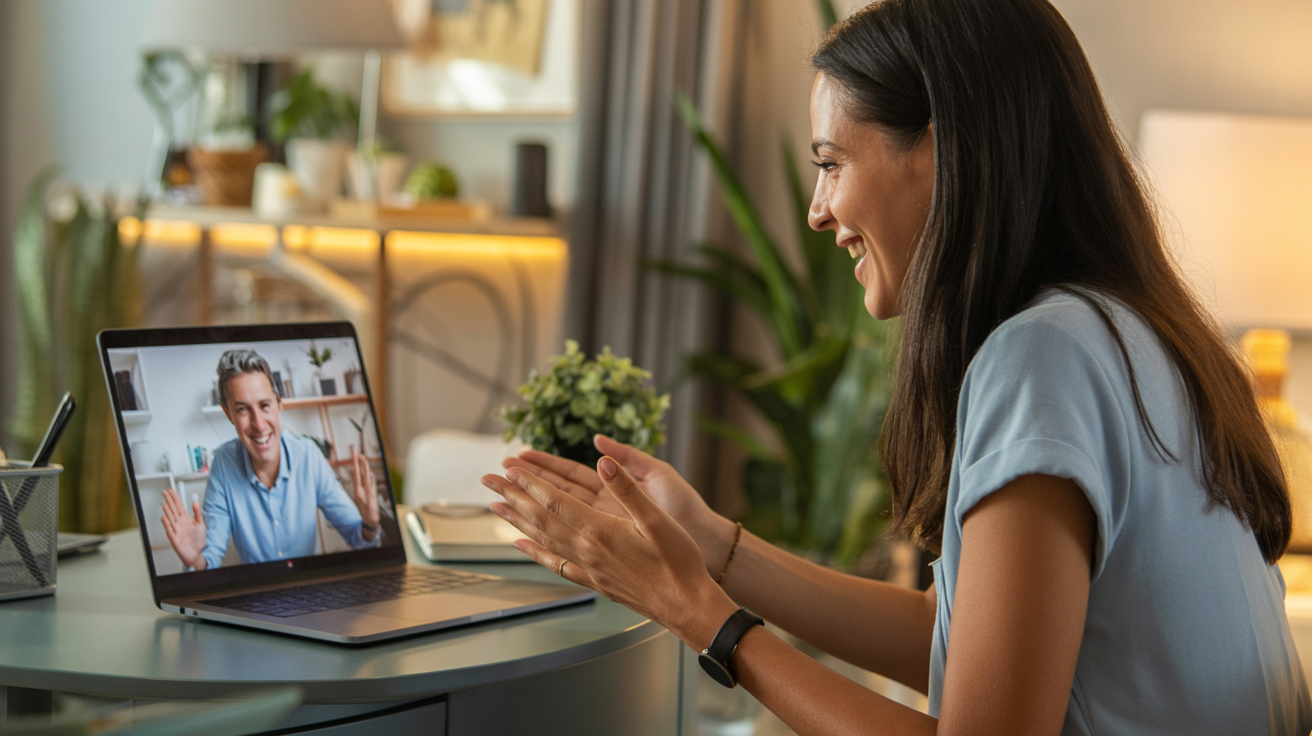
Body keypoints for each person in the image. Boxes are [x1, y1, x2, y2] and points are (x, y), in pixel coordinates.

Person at [479, 0, 1312, 733]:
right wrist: (711, 546)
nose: (816, 211)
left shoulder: (1043, 355)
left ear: (944, 150)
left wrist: (699, 615)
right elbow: (958, 638)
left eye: (832, 163)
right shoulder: (1138, 336)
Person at [160, 349, 382, 571]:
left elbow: (357, 536)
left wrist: (370, 524)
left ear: (278, 403)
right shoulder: (223, 466)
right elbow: (211, 558)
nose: (259, 424)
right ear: (228, 414)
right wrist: (195, 558)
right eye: (243, 410)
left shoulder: (309, 456)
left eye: (265, 406)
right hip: (257, 595)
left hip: (308, 589)